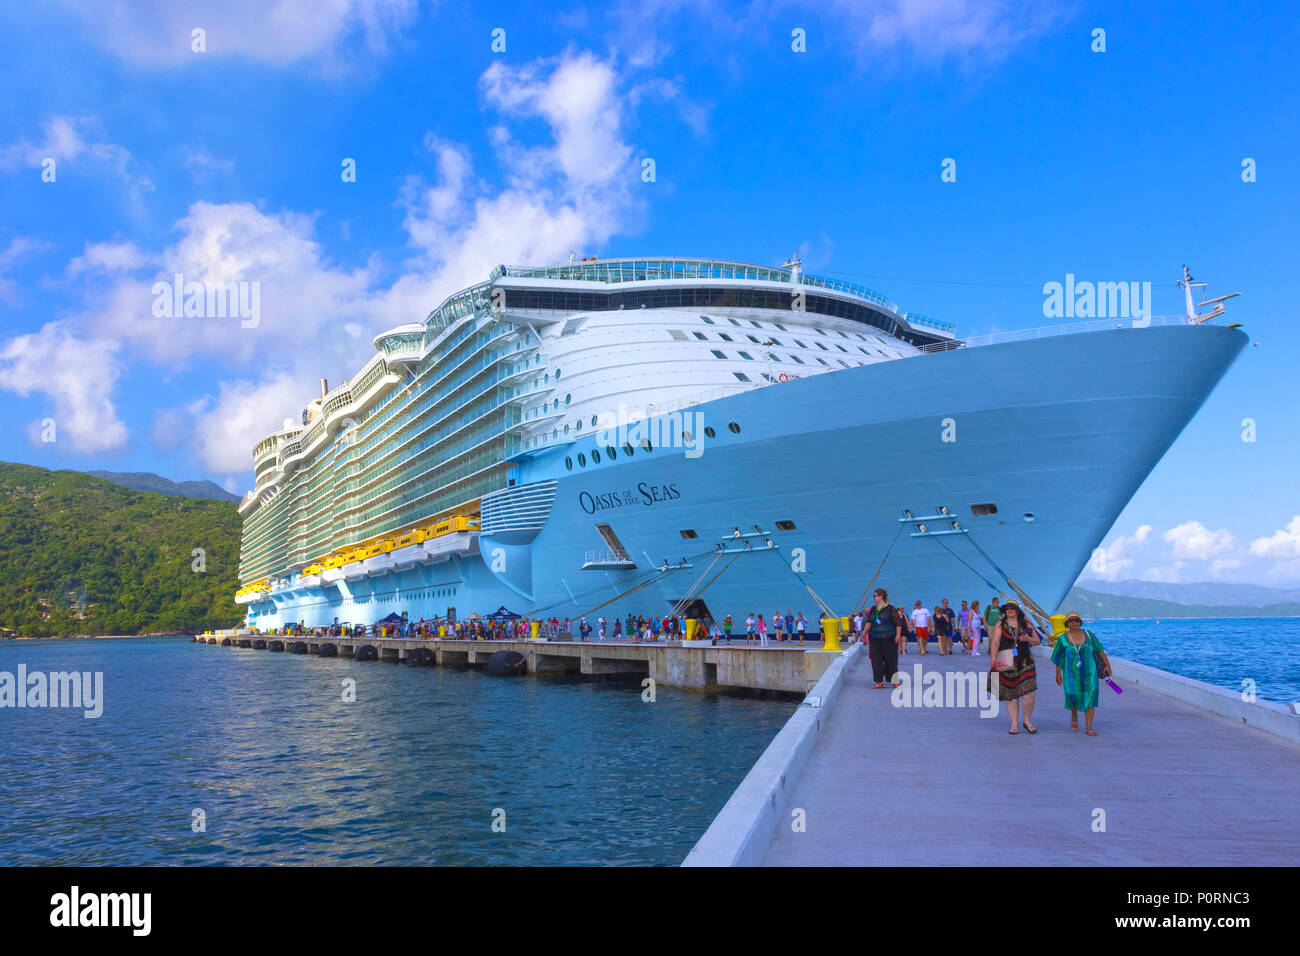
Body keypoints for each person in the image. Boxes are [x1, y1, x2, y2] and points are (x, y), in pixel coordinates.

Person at [1051, 611, 1112, 736]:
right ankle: (1074, 714)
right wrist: (1058, 674)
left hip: (1089, 672)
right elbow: (1059, 657)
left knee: (1090, 697)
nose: (1074, 622)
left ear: (1080, 622)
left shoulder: (1089, 635)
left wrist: (1107, 666)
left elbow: (1100, 650)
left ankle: (1089, 727)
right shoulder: (1063, 638)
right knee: (1073, 696)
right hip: (1070, 674)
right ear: (1067, 623)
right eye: (1071, 620)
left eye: (1076, 620)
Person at [990, 601, 1040, 734]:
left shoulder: (1026, 623)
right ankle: (1014, 723)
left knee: (1029, 694)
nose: (1010, 610)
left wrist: (1028, 639)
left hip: (1025, 662)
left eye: (1012, 608)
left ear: (1018, 610)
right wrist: (993, 658)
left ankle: (1027, 720)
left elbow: (1037, 641)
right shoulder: (1001, 624)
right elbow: (995, 642)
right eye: (1007, 609)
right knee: (1010, 694)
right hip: (1006, 662)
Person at [864, 588, 902, 689]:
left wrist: (898, 635)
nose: (874, 597)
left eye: (875, 595)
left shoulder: (890, 609)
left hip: (889, 638)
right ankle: (879, 681)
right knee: (876, 660)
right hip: (874, 638)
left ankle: (895, 682)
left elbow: (897, 624)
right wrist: (864, 633)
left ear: (881, 596)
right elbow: (869, 622)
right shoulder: (873, 609)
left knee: (891, 660)